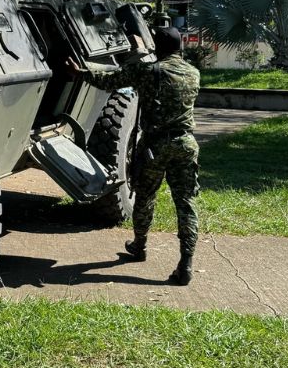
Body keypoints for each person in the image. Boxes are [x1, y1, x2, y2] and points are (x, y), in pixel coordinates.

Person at [70, 26, 201, 285]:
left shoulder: (149, 71)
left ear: (159, 48)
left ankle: (139, 246)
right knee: (185, 204)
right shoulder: (193, 73)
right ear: (180, 48)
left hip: (155, 146)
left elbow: (110, 81)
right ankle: (186, 263)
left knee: (145, 196)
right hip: (186, 144)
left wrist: (79, 72)